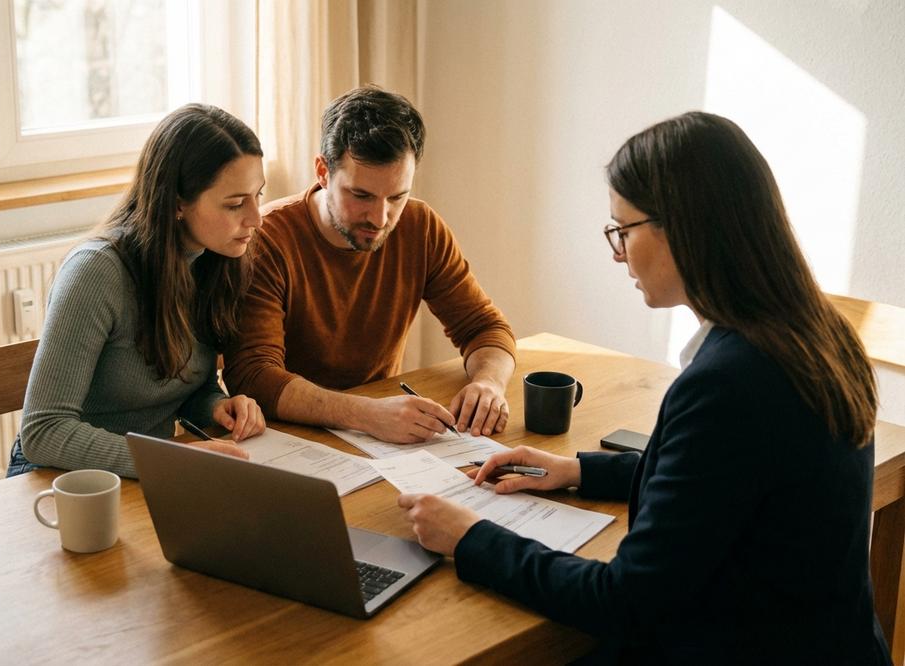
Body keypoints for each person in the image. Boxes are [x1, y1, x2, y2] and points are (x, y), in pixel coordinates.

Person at [397, 112, 889, 663]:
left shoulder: (730, 381)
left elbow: (625, 601)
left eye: (623, 229)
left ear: (681, 226)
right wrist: (579, 470)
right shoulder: (817, 333)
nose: (617, 253)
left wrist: (471, 537)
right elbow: (726, 480)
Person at [223, 86, 516, 444]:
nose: (380, 218)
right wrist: (367, 413)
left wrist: (488, 383)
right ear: (322, 172)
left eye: (397, 196)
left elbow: (484, 328)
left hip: (384, 434)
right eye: (361, 195)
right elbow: (255, 376)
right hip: (292, 438)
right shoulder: (266, 239)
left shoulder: (421, 227)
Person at [5, 104, 267, 478]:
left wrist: (216, 406)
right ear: (178, 203)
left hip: (146, 473)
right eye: (235, 204)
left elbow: (190, 387)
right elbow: (44, 431)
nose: (255, 218)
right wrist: (170, 461)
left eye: (259, 195)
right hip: (57, 478)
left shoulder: (214, 261)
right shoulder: (96, 272)